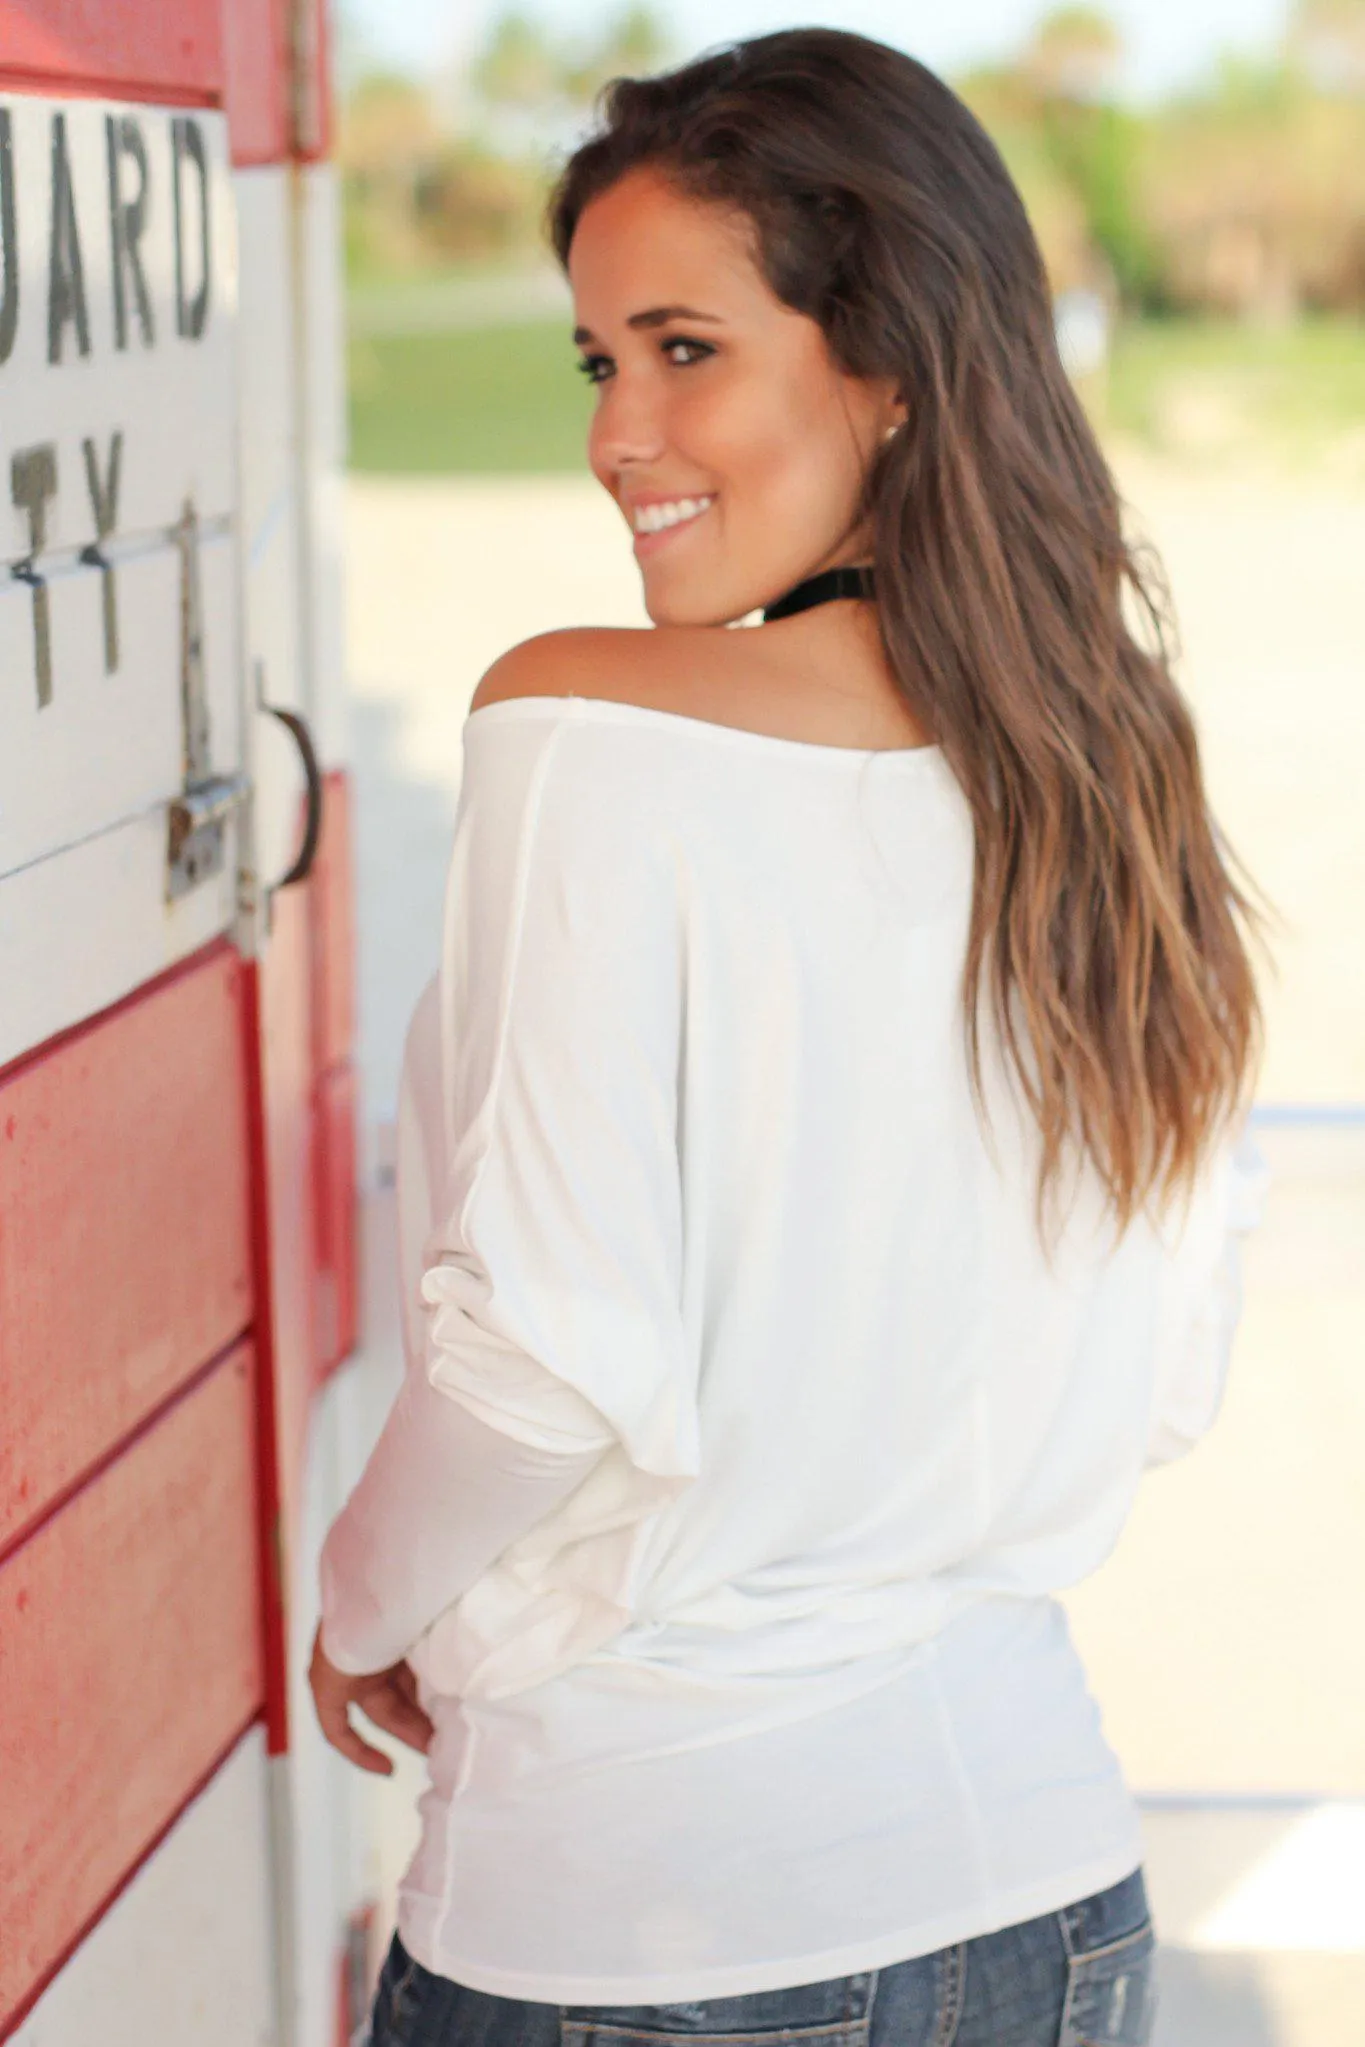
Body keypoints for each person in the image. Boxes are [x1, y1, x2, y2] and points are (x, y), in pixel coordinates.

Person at [310, 29, 1270, 2047]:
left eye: (684, 348)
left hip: (652, 1925)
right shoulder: (1103, 767)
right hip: (1047, 1897)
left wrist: (364, 1606)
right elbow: (1165, 1366)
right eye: (598, 362)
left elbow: (550, 1346)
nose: (616, 435)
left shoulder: (587, 726)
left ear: (890, 360)